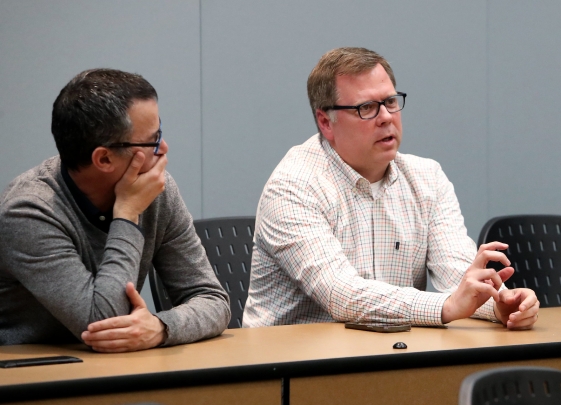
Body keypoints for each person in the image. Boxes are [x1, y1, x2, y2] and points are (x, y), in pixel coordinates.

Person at [243, 47, 539, 330]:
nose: (385, 116)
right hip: (291, 369)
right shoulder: (292, 188)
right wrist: (446, 306)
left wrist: (499, 303)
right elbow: (342, 295)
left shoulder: (427, 179)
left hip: (389, 357)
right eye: (367, 107)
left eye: (390, 102)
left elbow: (459, 278)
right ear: (325, 122)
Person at [0, 69, 230, 352]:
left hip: (117, 372)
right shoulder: (28, 211)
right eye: (153, 140)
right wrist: (127, 215)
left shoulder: (156, 190)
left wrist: (160, 328)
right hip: (33, 380)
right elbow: (104, 321)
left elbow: (212, 300)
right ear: (105, 158)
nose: (164, 148)